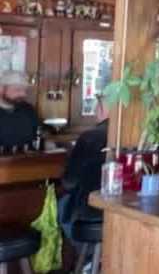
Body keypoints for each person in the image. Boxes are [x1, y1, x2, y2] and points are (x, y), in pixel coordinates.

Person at [59, 95, 108, 242]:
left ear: (101, 110)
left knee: (60, 206)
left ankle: (82, 253)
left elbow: (69, 182)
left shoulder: (90, 137)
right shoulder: (133, 136)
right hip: (121, 210)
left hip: (90, 211)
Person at [0, 69, 39, 150]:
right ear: (1, 89)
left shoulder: (28, 109)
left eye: (25, 90)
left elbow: (37, 135)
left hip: (27, 157)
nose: (23, 94)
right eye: (17, 90)